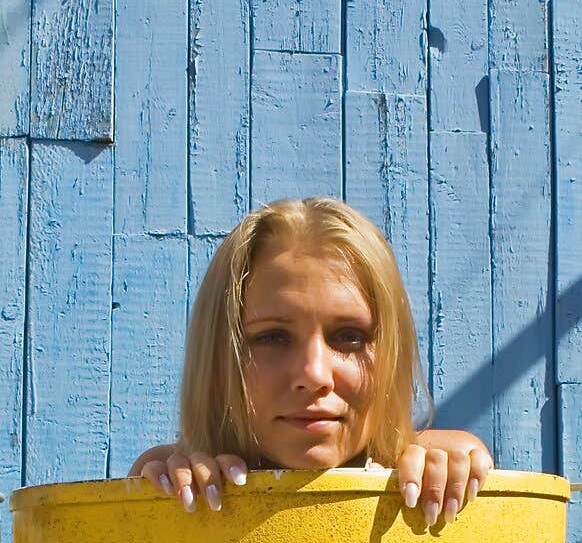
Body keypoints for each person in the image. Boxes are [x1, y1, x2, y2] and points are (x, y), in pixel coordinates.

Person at [128, 197, 492, 521]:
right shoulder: (172, 486)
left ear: (391, 356)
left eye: (350, 337)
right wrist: (162, 500)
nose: (314, 374)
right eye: (271, 337)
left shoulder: (432, 473)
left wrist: (450, 476)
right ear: (218, 360)